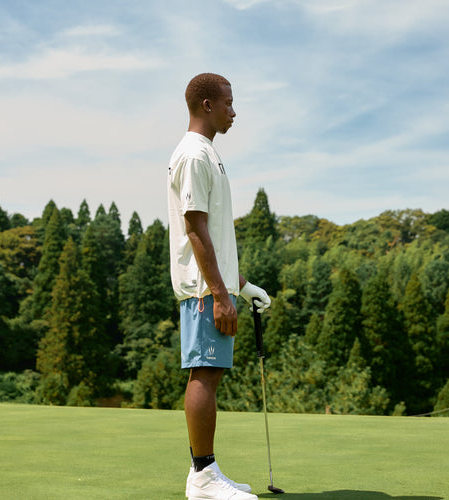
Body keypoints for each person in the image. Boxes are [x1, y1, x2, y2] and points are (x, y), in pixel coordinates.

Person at [167, 73, 271, 500]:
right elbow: (195, 229)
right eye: (228, 102)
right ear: (206, 104)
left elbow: (215, 239)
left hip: (216, 287)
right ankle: (203, 477)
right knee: (205, 374)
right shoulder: (194, 154)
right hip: (204, 292)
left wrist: (242, 287)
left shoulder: (207, 153)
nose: (234, 111)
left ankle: (205, 475)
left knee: (209, 373)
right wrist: (221, 294)